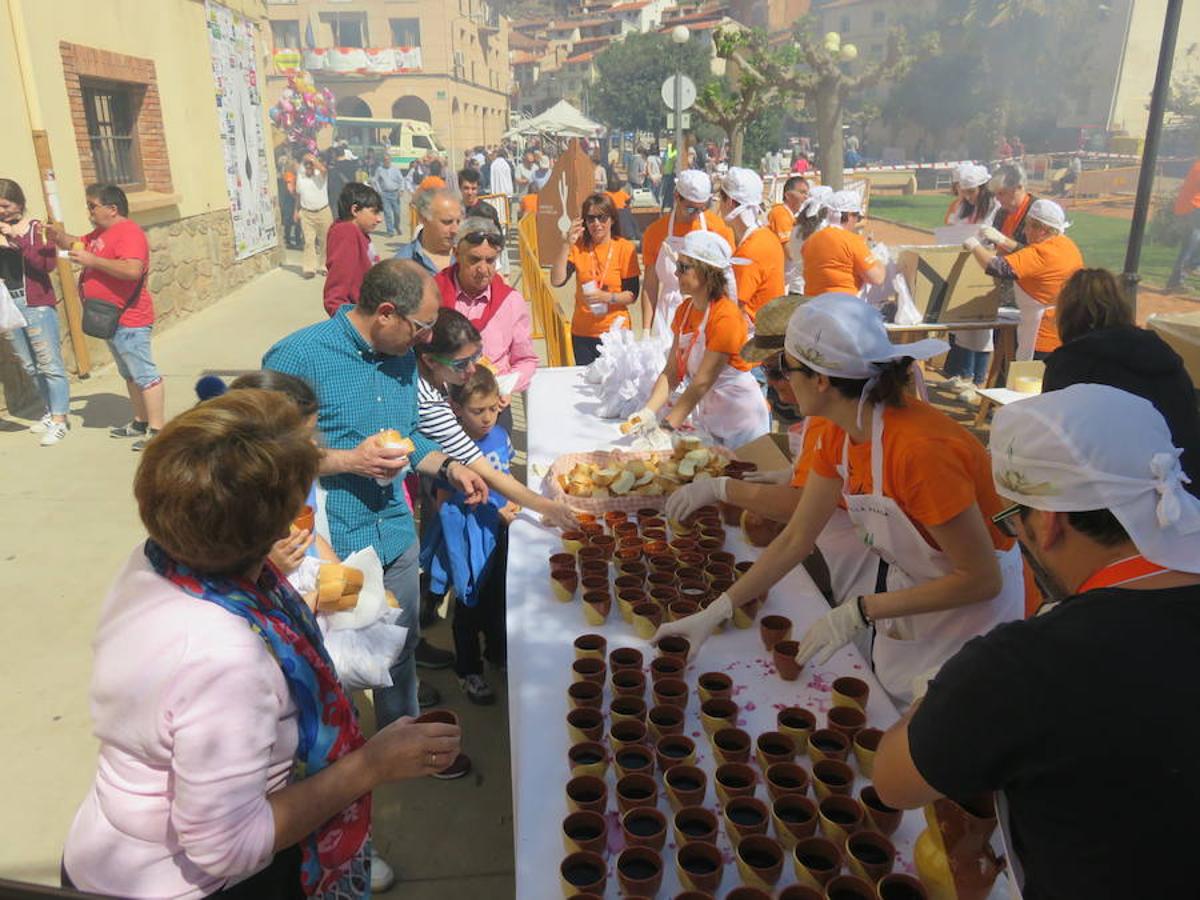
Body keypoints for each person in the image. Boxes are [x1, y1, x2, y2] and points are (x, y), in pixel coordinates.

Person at [61, 389, 462, 898]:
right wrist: (371, 765)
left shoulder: (162, 557)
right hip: (193, 883)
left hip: (111, 847)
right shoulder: (226, 661)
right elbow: (228, 846)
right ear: (277, 524)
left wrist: (299, 592)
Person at [873, 384, 1200, 899]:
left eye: (1011, 521)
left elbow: (892, 782)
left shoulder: (1031, 664)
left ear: (1047, 522)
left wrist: (939, 695)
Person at [653, 293, 1024, 705]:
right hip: (916, 596)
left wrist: (862, 610)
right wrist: (717, 610)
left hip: (973, 620)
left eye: (786, 370)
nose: (781, 382)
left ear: (821, 379)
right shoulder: (838, 430)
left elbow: (980, 579)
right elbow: (797, 537)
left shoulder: (919, 451)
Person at [264, 259, 489, 744]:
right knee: (335, 658)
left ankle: (400, 742)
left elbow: (409, 436)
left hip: (394, 531)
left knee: (398, 645)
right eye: (421, 327)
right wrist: (350, 461)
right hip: (334, 545)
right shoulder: (296, 358)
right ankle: (342, 763)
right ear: (386, 313)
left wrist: (451, 467)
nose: (427, 340)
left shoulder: (403, 356)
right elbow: (269, 454)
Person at [1043, 267, 1200, 494]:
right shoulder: (1161, 352)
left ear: (1067, 313)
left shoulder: (1071, 362)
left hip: (1121, 494)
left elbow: (1051, 436)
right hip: (1185, 485)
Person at [420, 365, 518, 705]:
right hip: (468, 541)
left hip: (500, 532)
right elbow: (445, 505)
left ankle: (497, 653)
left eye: (494, 408)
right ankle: (468, 669)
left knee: (499, 597)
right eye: (478, 411)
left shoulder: (500, 437)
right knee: (469, 603)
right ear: (457, 410)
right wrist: (494, 510)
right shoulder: (447, 452)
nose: (488, 418)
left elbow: (505, 473)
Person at [624, 232, 769, 449]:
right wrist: (648, 411)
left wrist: (666, 428)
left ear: (706, 273)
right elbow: (672, 370)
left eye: (683, 267)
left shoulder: (726, 317)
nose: (675, 272)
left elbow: (703, 381)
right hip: (712, 414)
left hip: (741, 420)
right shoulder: (684, 311)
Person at [48, 183, 163, 451]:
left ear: (112, 209)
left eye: (92, 206)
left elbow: (133, 270)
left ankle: (157, 430)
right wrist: (59, 236)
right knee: (130, 374)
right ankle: (139, 421)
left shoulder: (129, 233)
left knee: (145, 374)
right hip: (111, 319)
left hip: (130, 318)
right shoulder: (102, 233)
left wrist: (93, 261)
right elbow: (78, 244)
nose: (89, 212)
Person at [433, 216, 537, 429]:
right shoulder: (433, 295)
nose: (483, 269)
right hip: (443, 410)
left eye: (490, 261)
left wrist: (505, 387)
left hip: (493, 411)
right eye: (474, 260)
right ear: (456, 255)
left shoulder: (511, 301)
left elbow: (526, 360)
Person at [965, 197, 1083, 360]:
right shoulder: (1066, 245)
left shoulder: (1042, 254)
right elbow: (1029, 256)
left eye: (1028, 226)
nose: (1024, 230)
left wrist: (973, 245)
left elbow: (996, 267)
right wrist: (1003, 240)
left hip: (1041, 335)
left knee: (1030, 381)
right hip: (1063, 328)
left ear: (1043, 230)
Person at [0, 178, 70, 445]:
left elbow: (45, 264)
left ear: (19, 203)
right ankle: (50, 412)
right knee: (30, 366)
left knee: (49, 365)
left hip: (36, 305)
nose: (2, 211)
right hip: (9, 305)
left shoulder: (36, 229)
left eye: (6, 205)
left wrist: (16, 239)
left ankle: (60, 420)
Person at [640, 170, 736, 342]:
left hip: (705, 312)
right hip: (667, 314)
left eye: (703, 208)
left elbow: (727, 282)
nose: (697, 214)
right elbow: (650, 285)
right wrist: (646, 329)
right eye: (691, 208)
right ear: (677, 197)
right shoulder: (655, 232)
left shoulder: (718, 229)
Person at [550, 192, 641, 366]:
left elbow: (632, 295)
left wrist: (606, 297)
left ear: (612, 219)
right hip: (583, 334)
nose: (596, 224)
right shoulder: (578, 248)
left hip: (615, 332)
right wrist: (566, 244)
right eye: (591, 219)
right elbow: (557, 280)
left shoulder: (625, 248)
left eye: (602, 217)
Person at [942, 164, 998, 399]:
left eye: (971, 192)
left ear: (983, 188)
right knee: (964, 323)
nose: (967, 196)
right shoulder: (964, 205)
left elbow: (991, 236)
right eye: (964, 192)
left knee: (982, 326)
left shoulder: (995, 207)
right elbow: (953, 228)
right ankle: (964, 374)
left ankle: (978, 379)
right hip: (965, 263)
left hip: (986, 266)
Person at [716, 167, 785, 321]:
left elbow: (731, 305)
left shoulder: (749, 252)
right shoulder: (767, 236)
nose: (719, 203)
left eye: (721, 196)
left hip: (752, 336)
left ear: (731, 202)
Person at [799, 190, 886, 298]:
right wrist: (879, 260)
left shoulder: (810, 240)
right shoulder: (852, 241)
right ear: (849, 216)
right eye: (857, 217)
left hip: (813, 303)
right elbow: (877, 278)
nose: (856, 222)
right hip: (843, 305)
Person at [323, 182, 382, 317]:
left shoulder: (360, 233)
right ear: (355, 210)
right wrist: (350, 326)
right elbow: (335, 295)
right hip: (360, 318)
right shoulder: (346, 232)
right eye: (374, 212)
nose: (379, 219)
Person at [395, 187, 462, 275]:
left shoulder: (468, 256)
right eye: (447, 222)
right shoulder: (402, 264)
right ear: (422, 218)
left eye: (458, 222)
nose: (455, 230)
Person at [294, 153, 332, 278]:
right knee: (308, 241)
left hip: (323, 212)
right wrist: (296, 210)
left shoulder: (320, 176)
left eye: (311, 165)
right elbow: (298, 195)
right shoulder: (301, 176)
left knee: (325, 241)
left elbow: (323, 170)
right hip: (306, 213)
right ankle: (309, 268)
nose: (309, 167)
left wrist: (313, 160)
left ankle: (324, 265)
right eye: (307, 166)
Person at [1165, 156, 1200, 292]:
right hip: (1192, 208)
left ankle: (1179, 278)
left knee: (1191, 245)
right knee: (1190, 245)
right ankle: (1184, 273)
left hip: (1191, 208)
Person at [458, 168, 502, 233]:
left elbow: (499, 239)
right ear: (460, 188)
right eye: (466, 188)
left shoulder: (488, 211)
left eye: (473, 189)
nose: (470, 192)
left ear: (478, 188)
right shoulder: (454, 210)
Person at [372, 155, 407, 238]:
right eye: (385, 160)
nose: (387, 161)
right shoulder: (379, 169)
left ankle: (396, 226)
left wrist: (401, 190)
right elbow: (375, 180)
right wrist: (379, 191)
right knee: (387, 213)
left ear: (391, 160)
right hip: (385, 194)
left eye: (388, 160)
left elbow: (401, 180)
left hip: (395, 193)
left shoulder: (395, 169)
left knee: (397, 213)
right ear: (383, 161)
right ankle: (390, 231)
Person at [277, 155, 301, 249]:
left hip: (292, 201)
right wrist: (297, 197)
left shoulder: (292, 175)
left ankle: (294, 240)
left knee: (294, 221)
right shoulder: (289, 175)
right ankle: (290, 241)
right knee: (290, 221)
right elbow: (290, 189)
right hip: (290, 201)